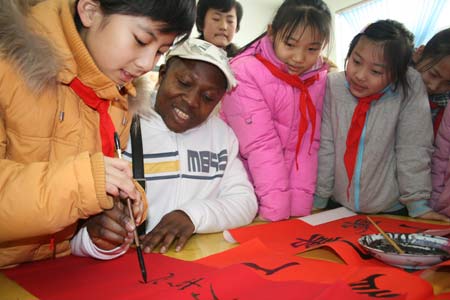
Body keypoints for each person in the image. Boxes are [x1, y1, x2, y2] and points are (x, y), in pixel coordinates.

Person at [0, 0, 195, 268]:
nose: (147, 63)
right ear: (90, 11)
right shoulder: (5, 64)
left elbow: (73, 221)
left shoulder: (120, 100)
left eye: (161, 51)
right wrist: (85, 183)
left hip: (51, 276)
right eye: (140, 40)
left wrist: (100, 226)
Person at [119, 38, 257, 253]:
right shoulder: (124, 122)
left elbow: (245, 203)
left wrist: (191, 216)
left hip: (192, 262)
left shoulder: (222, 136)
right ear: (162, 75)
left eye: (208, 97)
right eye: (184, 83)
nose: (192, 101)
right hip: (130, 263)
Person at [314, 20, 450, 222]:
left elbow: (413, 148)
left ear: (397, 74)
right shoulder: (333, 86)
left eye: (376, 72)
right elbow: (326, 145)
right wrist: (319, 199)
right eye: (356, 61)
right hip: (338, 205)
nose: (359, 76)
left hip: (391, 209)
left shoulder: (409, 87)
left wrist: (417, 204)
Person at [219, 0, 332, 221]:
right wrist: (275, 211)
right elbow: (261, 145)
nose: (299, 58)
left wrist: (300, 210)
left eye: (312, 49)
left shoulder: (317, 78)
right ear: (272, 33)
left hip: (279, 198)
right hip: (244, 193)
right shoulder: (244, 72)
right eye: (290, 44)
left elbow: (308, 146)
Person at [413, 28, 450, 137]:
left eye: (448, 83)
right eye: (433, 74)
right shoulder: (392, 80)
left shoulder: (443, 108)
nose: (434, 87)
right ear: (419, 53)